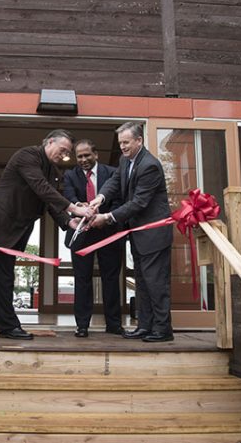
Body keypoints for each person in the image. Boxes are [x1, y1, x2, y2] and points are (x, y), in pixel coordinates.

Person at [0, 129, 94, 340]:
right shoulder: (26, 156)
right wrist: (75, 209)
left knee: (1, 271)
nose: (64, 154)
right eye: (62, 149)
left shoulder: (54, 171)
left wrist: (69, 221)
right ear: (48, 142)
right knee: (3, 274)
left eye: (68, 152)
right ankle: (8, 326)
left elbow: (49, 202)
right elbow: (41, 189)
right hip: (0, 221)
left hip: (19, 226)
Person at [88, 122, 174, 342]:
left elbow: (139, 203)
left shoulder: (150, 166)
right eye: (120, 143)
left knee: (156, 283)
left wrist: (107, 217)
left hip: (154, 235)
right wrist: (100, 198)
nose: (123, 147)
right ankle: (145, 326)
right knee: (142, 282)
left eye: (126, 142)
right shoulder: (125, 160)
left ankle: (163, 330)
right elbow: (114, 182)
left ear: (139, 141)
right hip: (137, 234)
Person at [63, 139, 124, 338]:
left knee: (111, 279)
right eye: (79, 156)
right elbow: (68, 197)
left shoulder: (113, 173)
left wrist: (104, 218)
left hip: (108, 232)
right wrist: (80, 207)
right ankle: (82, 326)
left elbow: (119, 201)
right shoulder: (69, 175)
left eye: (87, 155)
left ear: (96, 154)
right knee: (82, 280)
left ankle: (114, 325)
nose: (83, 160)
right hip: (81, 233)